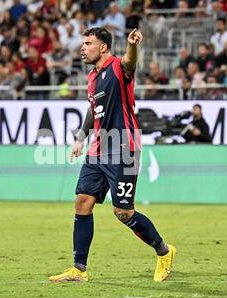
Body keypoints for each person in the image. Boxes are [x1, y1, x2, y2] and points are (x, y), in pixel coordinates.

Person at [49, 28, 176, 283]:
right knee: (82, 201)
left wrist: (133, 46)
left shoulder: (118, 68)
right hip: (99, 149)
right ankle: (79, 269)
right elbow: (92, 109)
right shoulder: (93, 77)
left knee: (123, 213)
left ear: (103, 47)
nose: (82, 48)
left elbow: (130, 62)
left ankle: (164, 251)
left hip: (123, 147)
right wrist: (81, 137)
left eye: (88, 43)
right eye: (82, 43)